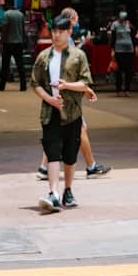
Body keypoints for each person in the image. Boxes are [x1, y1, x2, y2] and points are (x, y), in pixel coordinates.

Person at [31, 13, 98, 211]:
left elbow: (86, 83)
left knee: (70, 155)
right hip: (50, 113)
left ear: (69, 32)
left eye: (61, 31)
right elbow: (35, 83)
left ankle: (68, 190)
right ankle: (53, 192)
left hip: (72, 113)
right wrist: (49, 99)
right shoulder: (44, 57)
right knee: (52, 153)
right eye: (54, 31)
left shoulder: (78, 56)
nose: (56, 35)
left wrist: (67, 85)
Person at [0, 0, 28, 91]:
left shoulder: (7, 14)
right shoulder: (20, 14)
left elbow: (5, 29)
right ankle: (23, 86)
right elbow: (23, 29)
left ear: (7, 4)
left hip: (8, 43)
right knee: (20, 65)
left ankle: (2, 86)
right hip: (18, 43)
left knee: (5, 65)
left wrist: (2, 42)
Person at [110, 9, 136, 93]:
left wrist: (135, 47)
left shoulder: (129, 24)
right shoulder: (115, 25)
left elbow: (133, 35)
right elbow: (113, 38)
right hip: (119, 49)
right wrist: (112, 50)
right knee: (119, 70)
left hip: (129, 49)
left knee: (129, 70)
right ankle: (118, 88)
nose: (123, 20)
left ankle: (127, 89)